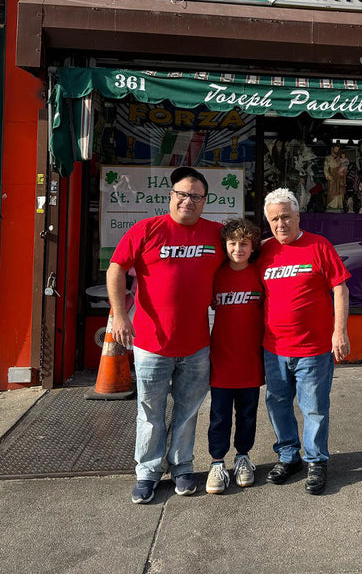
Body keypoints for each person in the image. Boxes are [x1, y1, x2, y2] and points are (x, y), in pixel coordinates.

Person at [107, 166, 224, 504]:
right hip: (151, 343)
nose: (188, 200)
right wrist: (119, 315)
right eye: (182, 194)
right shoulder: (146, 230)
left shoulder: (216, 234)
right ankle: (147, 471)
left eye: (196, 196)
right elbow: (115, 269)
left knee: (188, 411)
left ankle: (182, 466)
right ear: (171, 196)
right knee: (150, 411)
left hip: (197, 344)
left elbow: (243, 253)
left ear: (205, 201)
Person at [258, 188, 351, 495]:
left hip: (313, 349)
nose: (280, 224)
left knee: (314, 408)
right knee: (278, 405)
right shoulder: (264, 251)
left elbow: (340, 289)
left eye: (286, 217)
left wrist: (339, 331)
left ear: (298, 216)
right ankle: (288, 457)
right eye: (274, 219)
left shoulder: (319, 245)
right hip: (274, 349)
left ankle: (316, 461)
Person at [206, 218, 264, 494]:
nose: (238, 249)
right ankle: (217, 462)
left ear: (253, 247)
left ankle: (243, 457)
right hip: (221, 359)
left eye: (244, 244)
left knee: (247, 414)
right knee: (219, 416)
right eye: (232, 243)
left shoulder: (260, 274)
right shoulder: (216, 275)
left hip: (251, 359)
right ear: (225, 246)